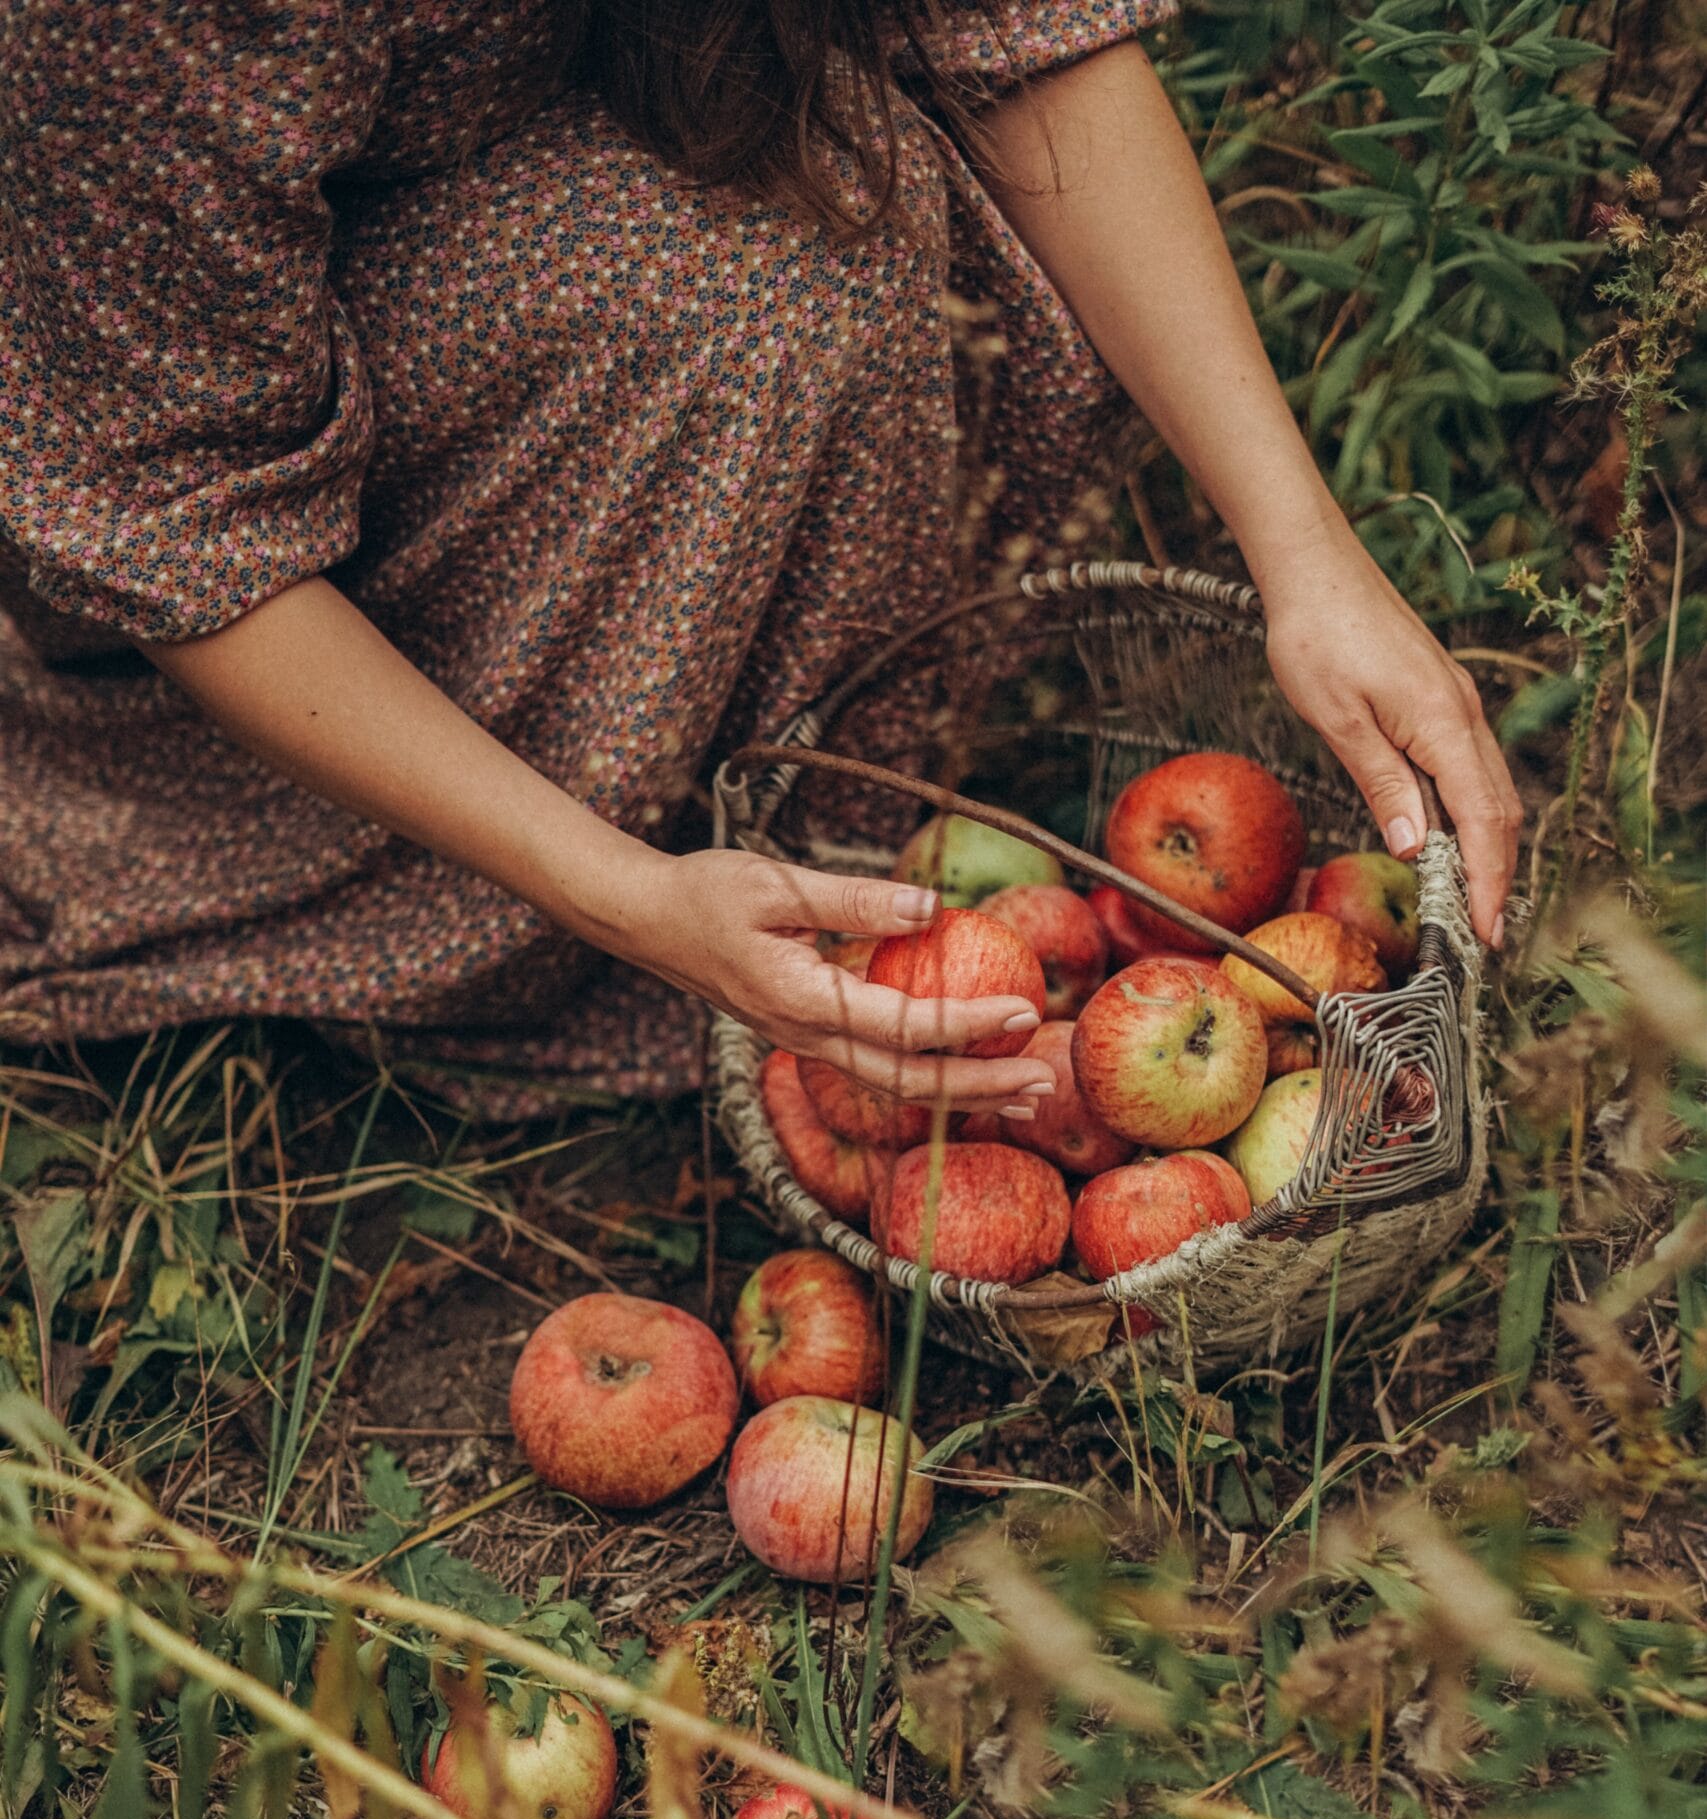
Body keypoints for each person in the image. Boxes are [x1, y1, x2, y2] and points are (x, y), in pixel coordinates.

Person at [0, 0, 1520, 1123]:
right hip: (165, 385)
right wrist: (620, 897)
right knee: (712, 283)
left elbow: (1016, 33)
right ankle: (488, 927)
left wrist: (1307, 557)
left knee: (818, 209)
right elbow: (176, 515)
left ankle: (778, 841)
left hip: (523, 165)